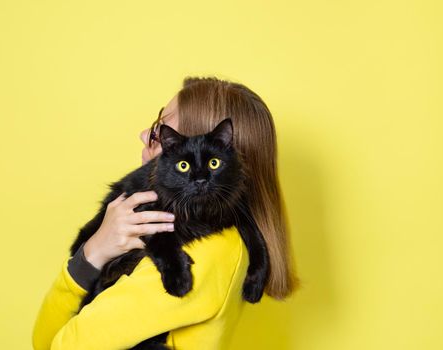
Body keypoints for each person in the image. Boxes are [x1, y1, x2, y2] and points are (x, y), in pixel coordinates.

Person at [32, 76, 300, 350]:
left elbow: (54, 346)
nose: (143, 135)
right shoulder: (221, 235)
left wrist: (90, 256)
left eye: (160, 130)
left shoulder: (203, 253)